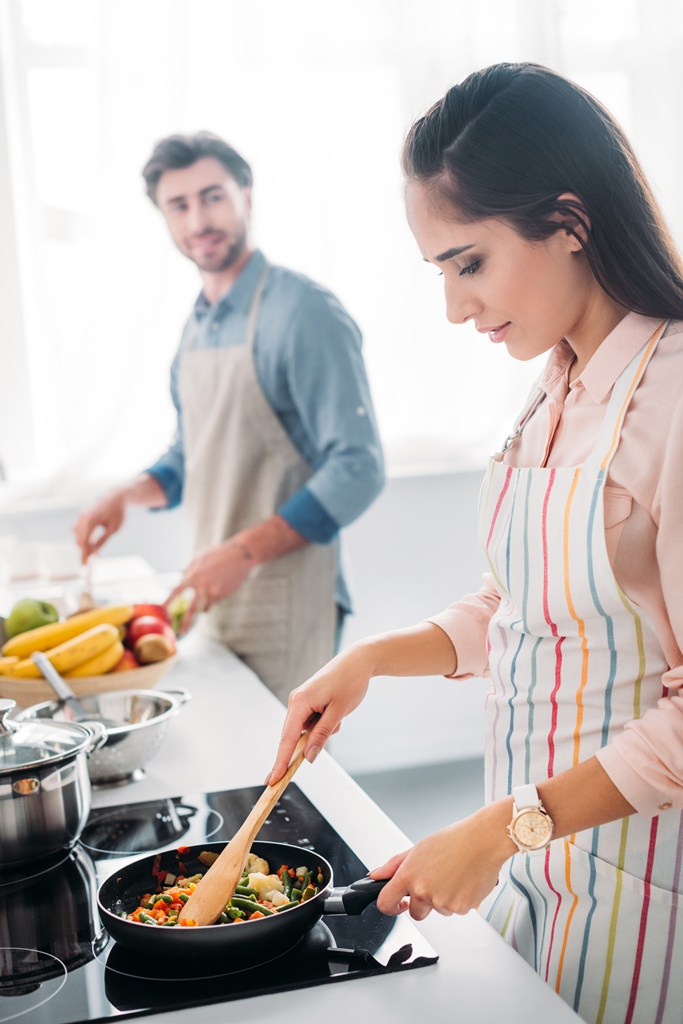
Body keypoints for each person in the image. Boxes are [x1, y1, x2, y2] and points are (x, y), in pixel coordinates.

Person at [268, 64, 683, 1024]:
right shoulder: (556, 384)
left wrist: (502, 829)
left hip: (641, 874)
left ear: (569, 222)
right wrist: (372, 657)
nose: (456, 310)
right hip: (537, 858)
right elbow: (525, 603)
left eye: (469, 263)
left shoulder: (672, 399)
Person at [74, 132, 384, 702]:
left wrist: (243, 553)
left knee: (290, 778)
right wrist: (127, 494)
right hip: (217, 593)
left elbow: (358, 467)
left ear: (247, 194)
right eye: (179, 205)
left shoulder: (304, 311)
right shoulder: (197, 324)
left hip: (288, 592)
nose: (199, 220)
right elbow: (192, 451)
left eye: (212, 196)